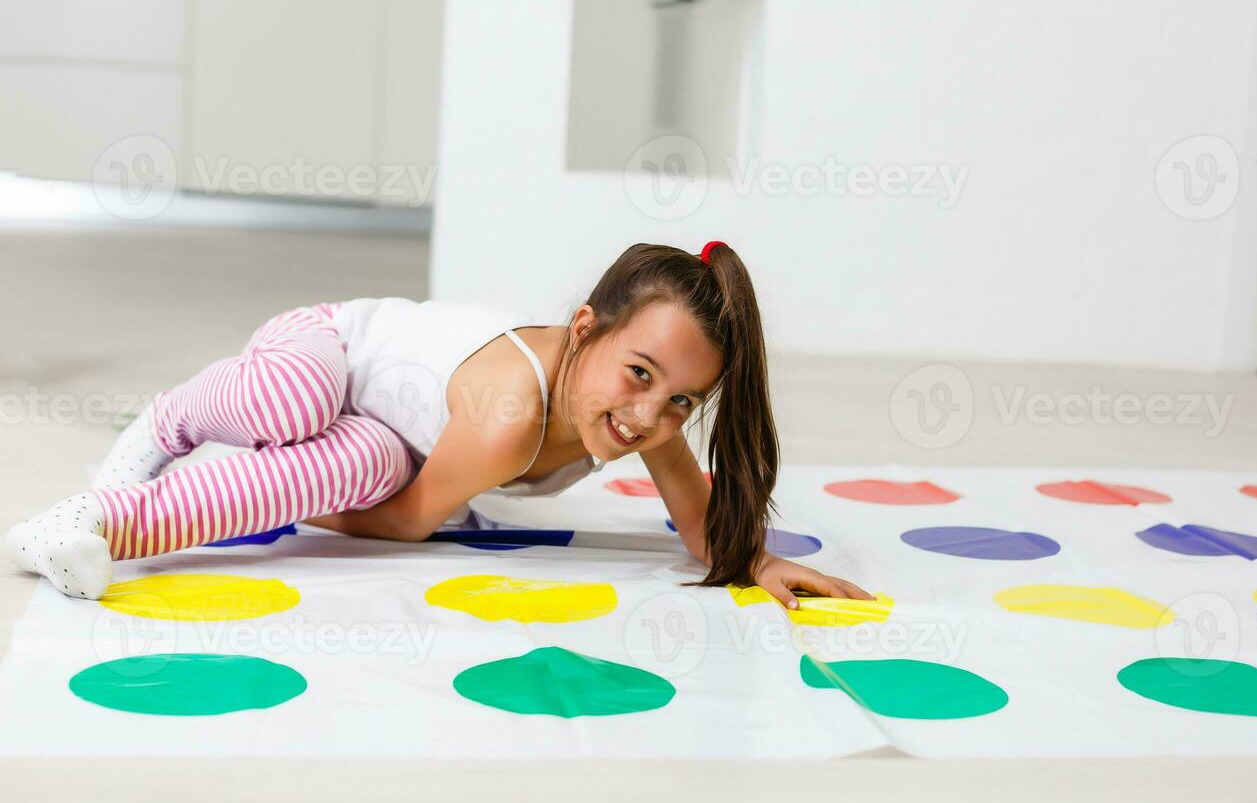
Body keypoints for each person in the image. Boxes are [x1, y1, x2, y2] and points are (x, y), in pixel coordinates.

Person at [6, 241, 873, 608]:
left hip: (387, 434)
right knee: (297, 414)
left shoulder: (645, 415)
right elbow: (420, 525)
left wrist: (754, 563)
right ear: (584, 331)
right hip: (325, 352)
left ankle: (91, 523)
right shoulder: (507, 415)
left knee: (358, 467)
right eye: (640, 375)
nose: (652, 417)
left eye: (683, 400)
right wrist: (275, 497)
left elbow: (695, 514)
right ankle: (171, 423)